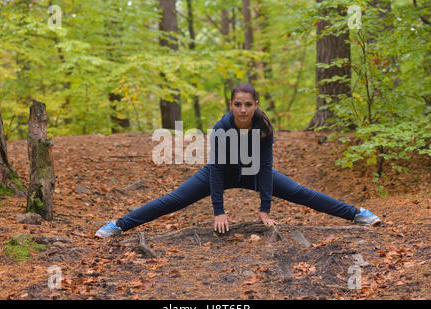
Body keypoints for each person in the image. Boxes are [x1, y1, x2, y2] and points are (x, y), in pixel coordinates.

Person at [95, 83, 381, 238]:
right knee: (175, 199)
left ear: (255, 104)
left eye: (248, 104)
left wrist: (265, 208)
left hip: (254, 172)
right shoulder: (222, 128)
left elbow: (266, 168)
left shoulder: (264, 128)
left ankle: (357, 213)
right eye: (237, 104)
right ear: (230, 105)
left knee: (299, 193)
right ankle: (119, 224)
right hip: (218, 172)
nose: (243, 109)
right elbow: (217, 170)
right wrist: (219, 211)